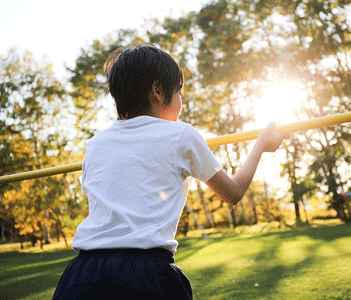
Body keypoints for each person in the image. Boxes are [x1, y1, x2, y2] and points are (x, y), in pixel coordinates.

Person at [53, 43, 287, 299]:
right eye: (179, 93)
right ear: (157, 90)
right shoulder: (182, 134)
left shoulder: (95, 144)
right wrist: (261, 146)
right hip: (145, 276)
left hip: (82, 276)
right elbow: (233, 193)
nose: (181, 102)